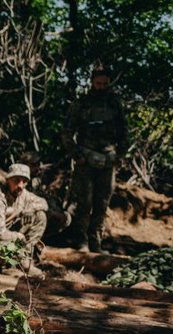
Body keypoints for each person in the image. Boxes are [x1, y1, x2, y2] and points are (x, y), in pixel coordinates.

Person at [61, 66, 129, 252]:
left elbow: (124, 133)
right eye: (98, 83)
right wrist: (77, 155)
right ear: (91, 82)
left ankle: (96, 242)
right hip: (86, 158)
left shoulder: (115, 104)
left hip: (108, 160)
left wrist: (119, 156)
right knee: (84, 202)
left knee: (102, 203)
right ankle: (80, 240)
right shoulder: (81, 103)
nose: (101, 87)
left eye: (105, 83)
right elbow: (67, 132)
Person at [0, 163, 48, 276]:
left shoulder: (22, 193)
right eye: (17, 180)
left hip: (9, 234)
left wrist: (30, 208)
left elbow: (44, 203)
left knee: (40, 216)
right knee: (12, 250)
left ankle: (25, 258)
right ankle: (21, 264)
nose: (20, 185)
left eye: (24, 181)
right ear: (8, 180)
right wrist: (19, 237)